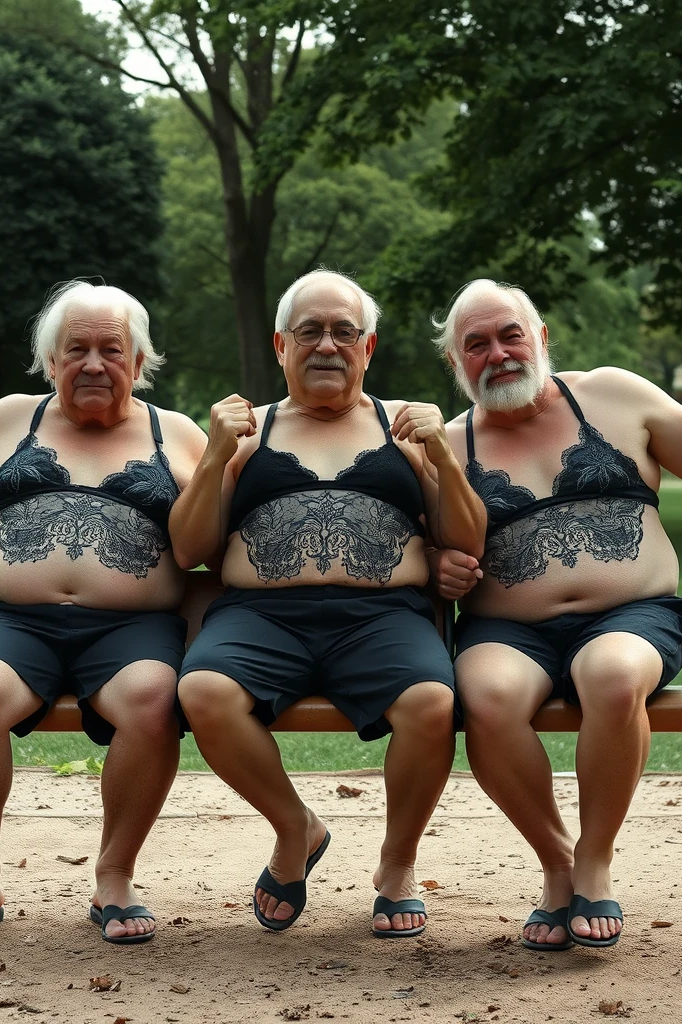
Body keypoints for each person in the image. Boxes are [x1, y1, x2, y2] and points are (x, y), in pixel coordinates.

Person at [429, 279, 682, 950]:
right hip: (507, 630)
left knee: (612, 676)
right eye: (476, 345)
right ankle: (557, 864)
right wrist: (440, 568)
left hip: (633, 616)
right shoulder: (445, 445)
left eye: (510, 335)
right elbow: (419, 551)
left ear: (543, 337)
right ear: (456, 364)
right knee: (486, 698)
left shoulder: (615, 395)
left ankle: (595, 858)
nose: (497, 354)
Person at [0, 281, 208, 946]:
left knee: (153, 700)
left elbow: (221, 539)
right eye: (77, 349)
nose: (94, 363)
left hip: (133, 630)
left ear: (140, 361)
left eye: (111, 350)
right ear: (52, 361)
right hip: (10, 622)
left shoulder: (177, 435)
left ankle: (115, 876)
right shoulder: (5, 420)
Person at [170, 270, 486, 938]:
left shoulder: (405, 426)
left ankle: (397, 864)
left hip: (383, 619)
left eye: (345, 331)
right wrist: (214, 457)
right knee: (202, 691)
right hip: (259, 619)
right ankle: (296, 829)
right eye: (310, 331)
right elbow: (189, 549)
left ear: (367, 349)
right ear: (282, 345)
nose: (327, 345)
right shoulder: (246, 431)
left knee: (432, 703)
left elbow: (466, 537)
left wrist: (443, 458)